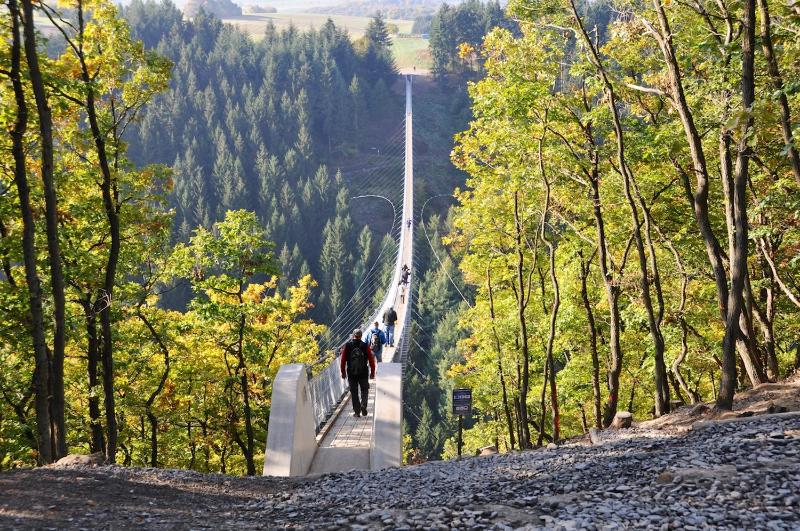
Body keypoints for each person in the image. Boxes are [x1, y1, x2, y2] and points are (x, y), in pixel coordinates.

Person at [340, 329, 376, 417]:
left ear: (353, 335)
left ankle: (357, 412)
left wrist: (343, 372)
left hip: (351, 373)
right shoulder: (365, 345)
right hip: (363, 372)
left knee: (354, 392)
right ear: (361, 336)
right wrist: (372, 372)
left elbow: (343, 360)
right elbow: (371, 360)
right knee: (364, 390)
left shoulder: (347, 346)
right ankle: (363, 405)